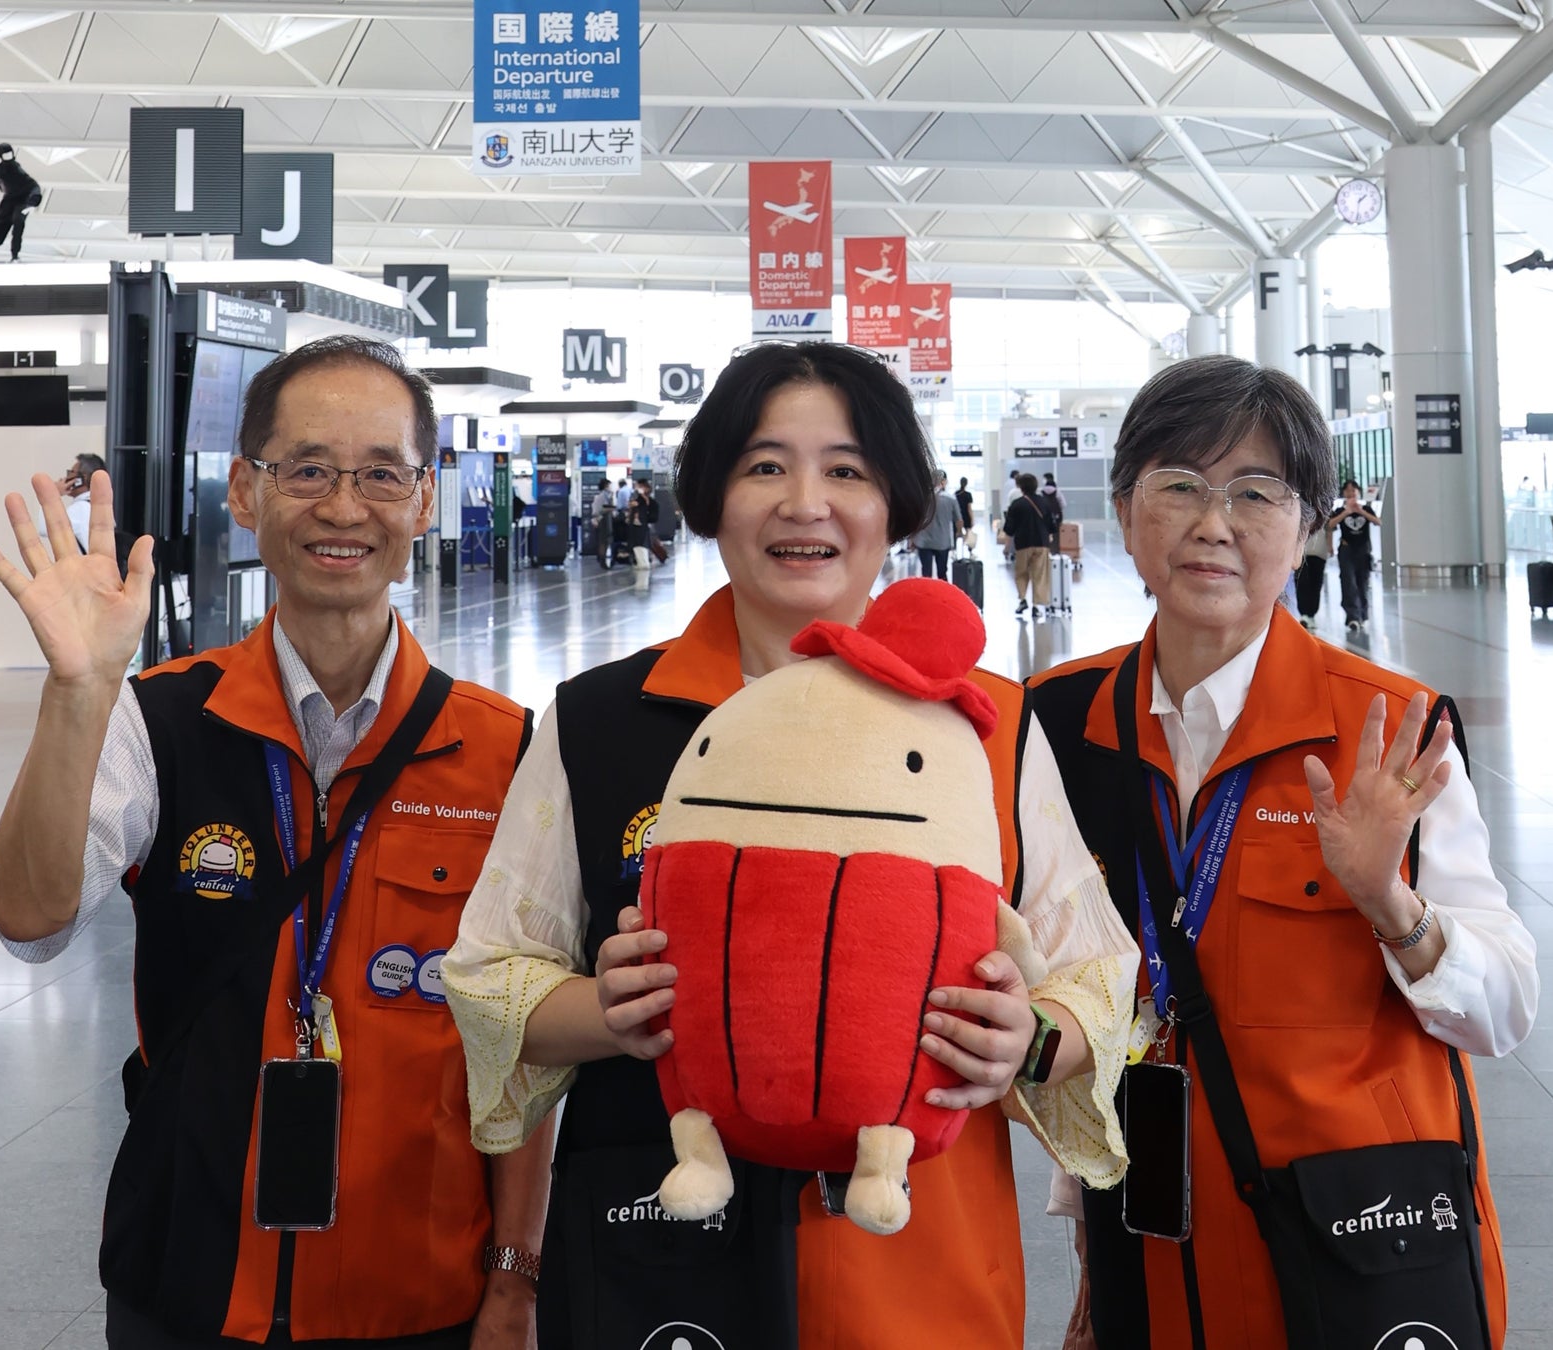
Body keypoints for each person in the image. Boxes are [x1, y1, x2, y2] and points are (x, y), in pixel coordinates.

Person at [442, 340, 1136, 1350]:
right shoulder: (600, 723)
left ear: (896, 502)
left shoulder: (989, 726)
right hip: (660, 1266)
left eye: (846, 470)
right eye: (764, 465)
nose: (805, 502)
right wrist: (608, 1011)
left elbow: (1101, 981)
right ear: (711, 495)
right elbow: (491, 975)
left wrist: (1023, 1040)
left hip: (920, 1272)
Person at [0, 335, 551, 1349]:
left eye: (381, 473)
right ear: (245, 491)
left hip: (420, 1287)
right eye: (307, 470)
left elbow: (526, 1057)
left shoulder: (504, 751)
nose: (342, 507)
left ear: (424, 499)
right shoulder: (157, 719)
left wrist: (514, 1278)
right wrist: (76, 693)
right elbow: (30, 922)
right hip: (191, 1277)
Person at [1026, 354, 1537, 1350]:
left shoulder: (1390, 727)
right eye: (1179, 487)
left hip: (1354, 1228)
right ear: (1127, 514)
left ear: (1307, 526)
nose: (1214, 523)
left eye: (1256, 492)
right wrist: (1087, 1232)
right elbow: (1084, 984)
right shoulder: (1063, 723)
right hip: (1147, 1217)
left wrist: (1392, 905)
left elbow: (1506, 1005)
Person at [1325, 479, 1380, 632]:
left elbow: (1377, 522)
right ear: (1343, 493)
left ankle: (1362, 615)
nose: (1351, 493)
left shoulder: (1366, 509)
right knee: (1348, 582)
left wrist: (1360, 511)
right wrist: (1347, 512)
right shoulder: (1339, 511)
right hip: (1346, 550)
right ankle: (1352, 617)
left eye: (1353, 491)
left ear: (1358, 493)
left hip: (1363, 551)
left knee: (1362, 583)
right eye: (1348, 491)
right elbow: (1330, 525)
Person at [1002, 471, 1052, 619]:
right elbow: (1052, 526)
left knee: (1021, 574)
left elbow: (1009, 529)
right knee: (1039, 574)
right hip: (1041, 544)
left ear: (1021, 488)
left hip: (1023, 544)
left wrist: (1006, 547)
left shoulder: (1017, 505)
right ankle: (1036, 606)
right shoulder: (1044, 502)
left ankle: (1022, 599)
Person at [35, 453, 103, 554]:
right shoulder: (94, 506)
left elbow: (45, 528)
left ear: (81, 479)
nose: (66, 477)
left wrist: (52, 494)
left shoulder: (80, 508)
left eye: (71, 473)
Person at [912, 470, 962, 581]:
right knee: (942, 573)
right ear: (944, 481)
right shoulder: (951, 499)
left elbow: (915, 519)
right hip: (942, 542)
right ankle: (943, 596)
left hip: (923, 542)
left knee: (926, 574)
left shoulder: (922, 498)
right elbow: (959, 521)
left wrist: (912, 539)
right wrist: (959, 533)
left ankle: (926, 596)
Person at [1294, 518, 1330, 630]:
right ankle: (1304, 613)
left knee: (1316, 584)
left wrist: (1330, 547)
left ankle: (1311, 614)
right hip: (1302, 552)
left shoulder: (1325, 512)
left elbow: (1329, 530)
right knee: (1302, 582)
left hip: (1319, 552)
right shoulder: (1300, 509)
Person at [591, 476, 616, 569]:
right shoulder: (602, 496)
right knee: (603, 541)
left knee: (605, 540)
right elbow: (603, 508)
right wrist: (612, 508)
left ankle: (603, 558)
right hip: (602, 520)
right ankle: (602, 560)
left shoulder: (606, 495)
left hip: (605, 519)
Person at [1039, 471, 1065, 551]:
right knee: (1056, 534)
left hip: (1043, 516)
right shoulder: (1058, 492)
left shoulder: (1041, 492)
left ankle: (1046, 550)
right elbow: (1063, 504)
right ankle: (1055, 550)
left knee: (1044, 533)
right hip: (1056, 517)